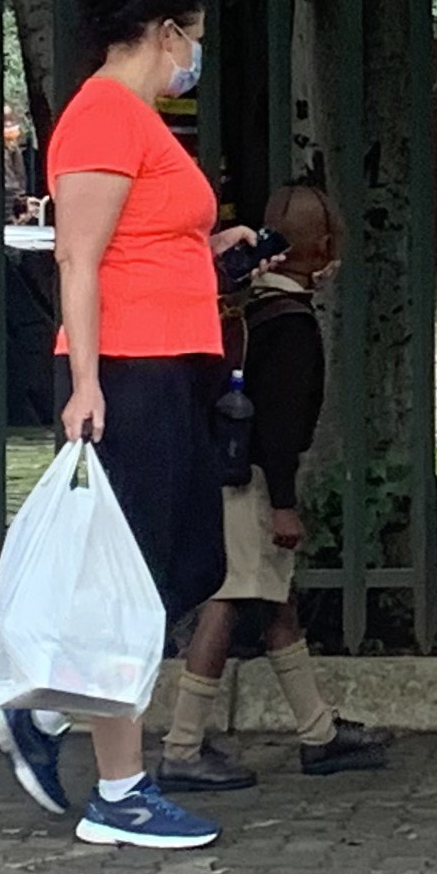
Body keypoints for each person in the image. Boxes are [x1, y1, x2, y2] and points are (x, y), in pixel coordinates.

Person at [0, 0, 245, 851]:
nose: (196, 55)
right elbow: (78, 259)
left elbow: (144, 240)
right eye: (194, 36)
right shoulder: (100, 115)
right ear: (168, 32)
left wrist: (212, 250)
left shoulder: (137, 122)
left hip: (169, 363)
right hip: (127, 370)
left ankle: (57, 714)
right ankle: (116, 784)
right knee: (129, 579)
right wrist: (88, 381)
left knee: (178, 566)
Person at [150, 182, 394, 789]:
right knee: (229, 600)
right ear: (324, 247)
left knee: (274, 601)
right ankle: (182, 746)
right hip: (255, 483)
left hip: (222, 469)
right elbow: (280, 431)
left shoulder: (246, 307)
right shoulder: (294, 327)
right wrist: (284, 506)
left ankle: (318, 730)